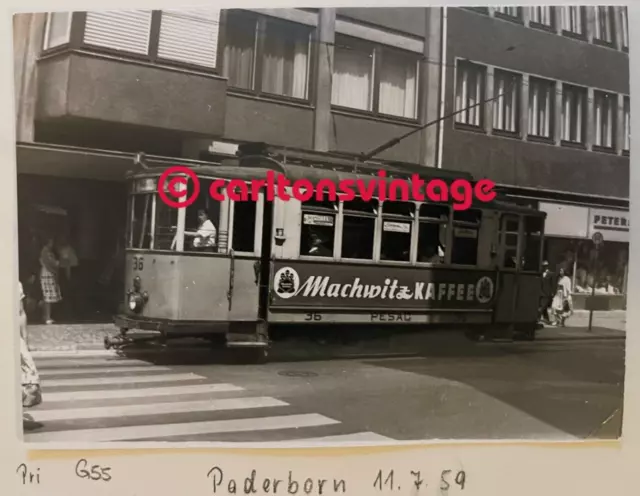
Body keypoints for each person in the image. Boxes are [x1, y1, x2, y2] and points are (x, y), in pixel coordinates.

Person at [19, 281, 42, 409]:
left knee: (29, 379)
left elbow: (21, 313)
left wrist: (25, 339)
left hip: (12, 337)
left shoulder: (14, 284)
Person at [39, 236, 62, 324]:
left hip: (49, 273)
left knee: (48, 297)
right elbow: (49, 263)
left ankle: (46, 316)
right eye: (51, 242)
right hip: (47, 274)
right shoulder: (45, 252)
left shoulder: (47, 251)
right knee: (47, 296)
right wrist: (55, 267)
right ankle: (47, 317)